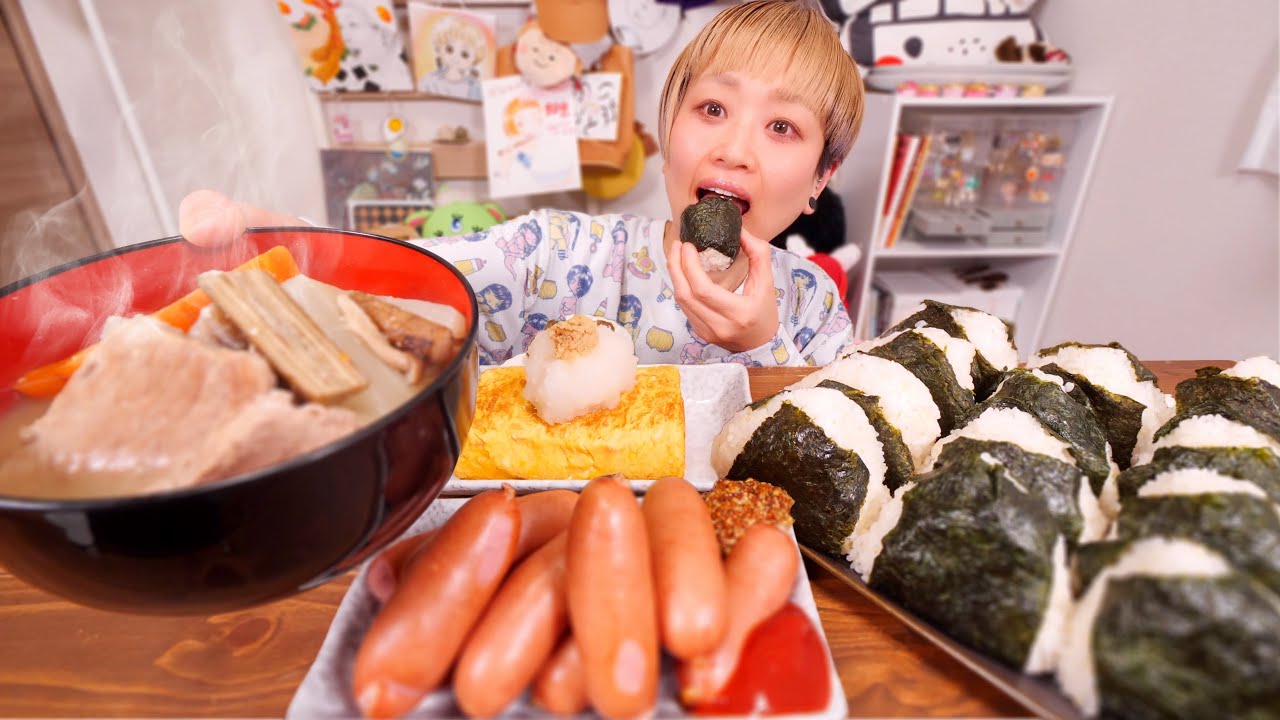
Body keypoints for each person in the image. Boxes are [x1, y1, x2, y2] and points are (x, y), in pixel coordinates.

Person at [181, 0, 864, 367]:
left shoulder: (815, 310)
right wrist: (268, 237)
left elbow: (840, 470)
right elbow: (394, 280)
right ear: (668, 134)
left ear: (819, 180)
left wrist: (762, 348)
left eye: (782, 128)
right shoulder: (555, 253)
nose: (734, 147)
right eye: (712, 109)